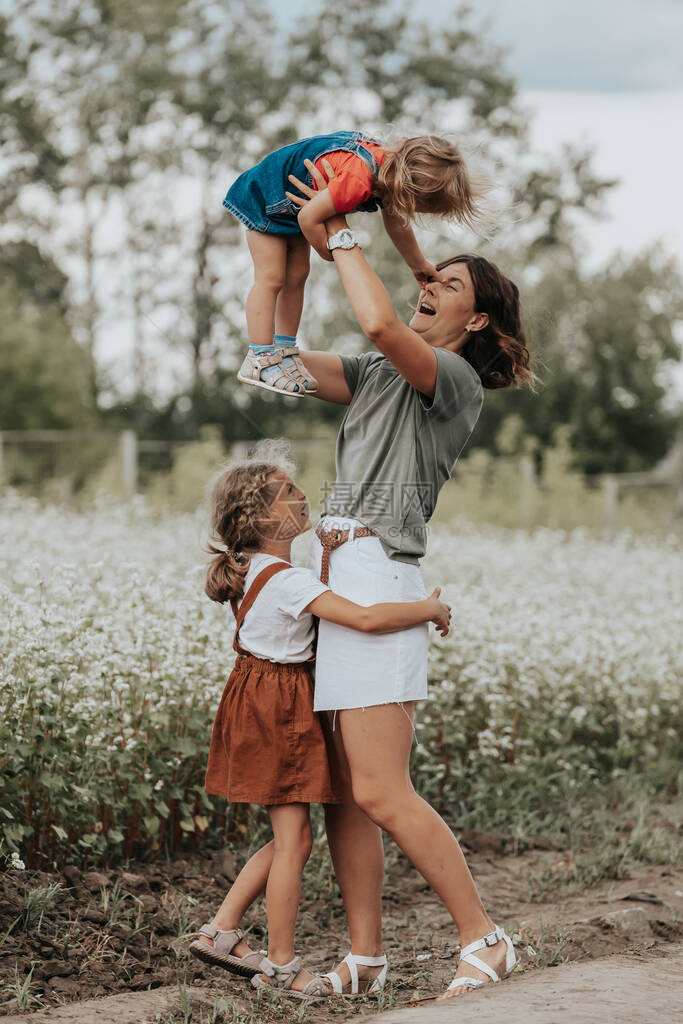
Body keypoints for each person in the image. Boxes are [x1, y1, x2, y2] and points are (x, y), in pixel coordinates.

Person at [281, 159, 535, 999]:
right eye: (432, 274)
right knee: (349, 797)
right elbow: (276, 365)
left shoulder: (451, 380)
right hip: (338, 571)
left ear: (476, 319)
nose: (430, 284)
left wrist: (346, 230)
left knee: (384, 789)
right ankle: (365, 961)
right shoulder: (378, 373)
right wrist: (292, 241)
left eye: (448, 283)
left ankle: (484, 938)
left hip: (382, 579)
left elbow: (385, 321)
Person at [190, 453, 452, 1000]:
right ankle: (281, 966)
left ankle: (221, 930)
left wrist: (331, 552)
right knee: (295, 843)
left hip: (262, 702)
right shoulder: (282, 579)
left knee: (290, 836)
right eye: (288, 492)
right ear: (262, 518)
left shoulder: (263, 570)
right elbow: (363, 618)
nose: (303, 495)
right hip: (279, 708)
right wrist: (426, 610)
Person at [223, 130, 487, 396]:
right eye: (419, 208)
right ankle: (259, 356)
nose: (413, 213)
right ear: (411, 192)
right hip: (264, 195)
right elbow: (309, 217)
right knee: (271, 277)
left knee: (299, 274)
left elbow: (397, 223)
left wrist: (417, 263)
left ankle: (284, 348)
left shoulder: (390, 171)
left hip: (289, 202)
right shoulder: (360, 179)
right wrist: (329, 251)